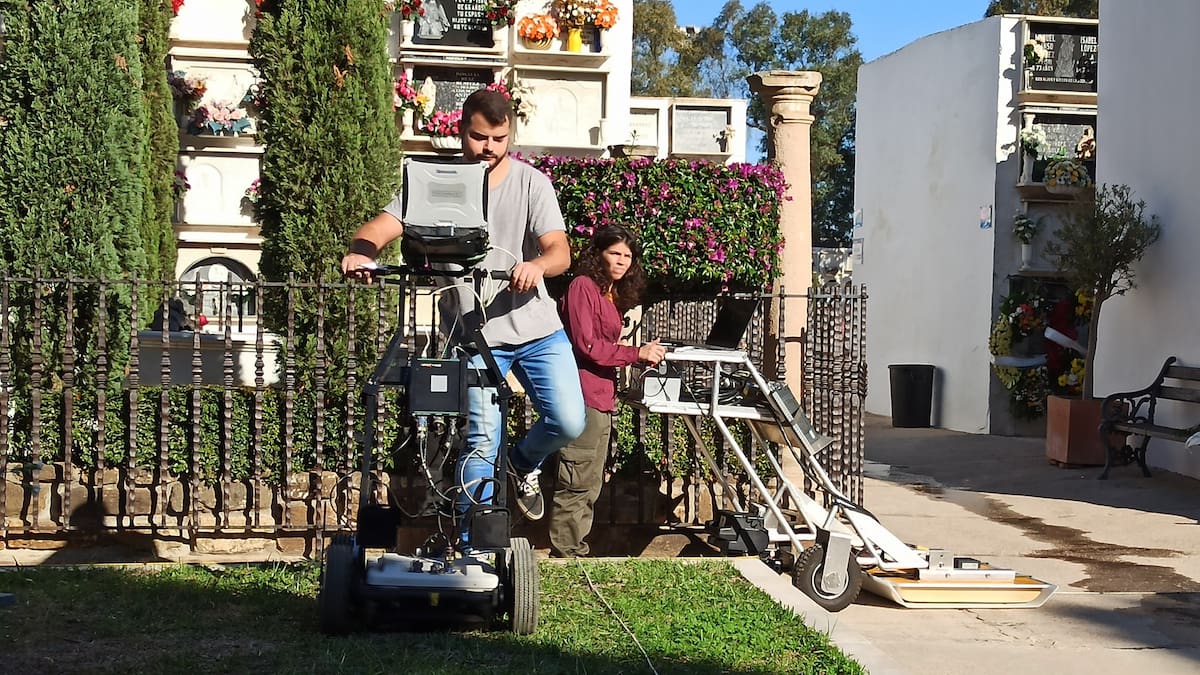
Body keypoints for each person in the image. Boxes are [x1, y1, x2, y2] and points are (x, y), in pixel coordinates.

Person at [341, 88, 585, 543]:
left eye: (498, 138)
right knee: (479, 442)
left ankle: (522, 461)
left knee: (569, 420)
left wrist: (536, 265)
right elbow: (381, 227)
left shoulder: (533, 184)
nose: (488, 147)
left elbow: (560, 251)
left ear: (510, 135)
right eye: (478, 137)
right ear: (460, 132)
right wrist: (361, 252)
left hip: (537, 331)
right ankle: (478, 550)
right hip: (472, 336)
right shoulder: (436, 181)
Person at [552, 225, 665, 558]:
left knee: (591, 482)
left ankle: (576, 549)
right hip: (581, 395)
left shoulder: (610, 295)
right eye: (614, 253)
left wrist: (639, 355)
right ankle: (565, 553)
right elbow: (587, 346)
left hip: (602, 398)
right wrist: (635, 353)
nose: (621, 261)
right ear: (597, 254)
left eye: (627, 256)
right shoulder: (582, 287)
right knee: (575, 478)